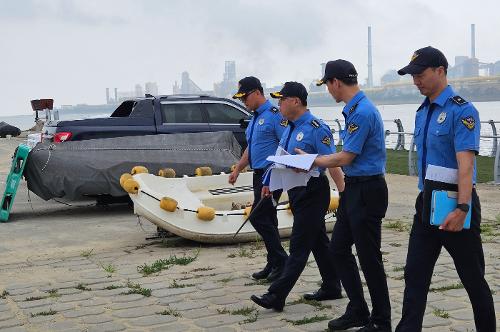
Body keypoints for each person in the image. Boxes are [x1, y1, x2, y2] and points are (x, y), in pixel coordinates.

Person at [395, 46, 496, 332]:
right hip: (427, 202)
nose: (416, 80)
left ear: (441, 71)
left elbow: (466, 166)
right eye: (412, 75)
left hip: (456, 205)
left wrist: (463, 208)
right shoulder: (422, 112)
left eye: (420, 73)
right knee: (415, 274)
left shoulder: (462, 110)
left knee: (473, 278)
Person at [311, 60, 391, 332]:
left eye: (327, 85)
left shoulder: (362, 112)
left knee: (369, 257)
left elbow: (347, 156)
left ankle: (381, 321)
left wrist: (315, 161)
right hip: (355, 188)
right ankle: (358, 309)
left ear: (335, 82)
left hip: (368, 189)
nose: (328, 91)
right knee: (338, 248)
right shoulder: (353, 110)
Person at [250, 81, 343, 311]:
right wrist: (267, 184)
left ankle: (276, 295)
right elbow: (279, 158)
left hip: (313, 191)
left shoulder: (316, 127)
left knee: (299, 246)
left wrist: (344, 192)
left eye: (282, 99)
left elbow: (331, 163)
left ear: (296, 101)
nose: (279, 104)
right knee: (319, 241)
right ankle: (332, 285)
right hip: (296, 191)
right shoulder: (288, 126)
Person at [230, 76, 288, 281]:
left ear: (256, 92)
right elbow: (251, 148)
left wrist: (276, 175)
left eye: (245, 97)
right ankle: (274, 263)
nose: (243, 101)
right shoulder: (254, 117)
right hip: (258, 175)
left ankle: (282, 260)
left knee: (257, 216)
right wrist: (238, 169)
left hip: (272, 174)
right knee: (269, 219)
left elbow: (285, 145)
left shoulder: (275, 115)